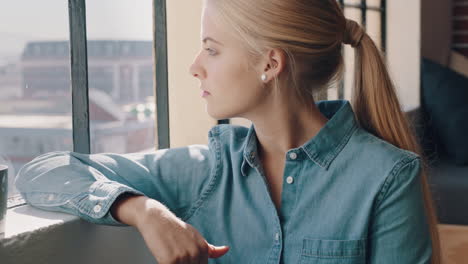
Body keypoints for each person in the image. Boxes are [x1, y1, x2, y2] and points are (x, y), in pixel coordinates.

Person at [15, 0, 441, 263]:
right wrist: (141, 208)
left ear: (269, 65)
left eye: (212, 49)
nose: (194, 65)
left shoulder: (386, 178)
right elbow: (43, 171)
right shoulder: (205, 171)